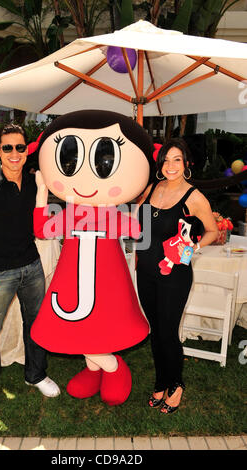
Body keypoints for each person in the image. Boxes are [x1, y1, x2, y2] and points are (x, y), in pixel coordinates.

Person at [29, 110, 155, 406]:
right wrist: (41, 193)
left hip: (109, 288)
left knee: (100, 327)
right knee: (78, 328)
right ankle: (95, 367)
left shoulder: (114, 215)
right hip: (73, 285)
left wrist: (140, 199)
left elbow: (138, 231)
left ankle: (112, 367)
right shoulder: (69, 213)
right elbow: (41, 230)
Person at [0, 123, 60, 413]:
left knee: (36, 325)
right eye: (8, 148)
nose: (14, 153)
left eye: (20, 147)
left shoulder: (33, 182)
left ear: (27, 150)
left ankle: (36, 375)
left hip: (31, 266)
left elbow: (41, 223)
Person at [134, 137, 218, 414]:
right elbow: (140, 223)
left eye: (177, 160)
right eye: (166, 160)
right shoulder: (152, 188)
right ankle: (161, 382)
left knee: (168, 332)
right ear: (161, 164)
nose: (171, 165)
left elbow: (213, 231)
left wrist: (194, 246)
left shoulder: (193, 197)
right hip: (145, 272)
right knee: (156, 331)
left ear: (186, 164)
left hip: (174, 276)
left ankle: (176, 385)